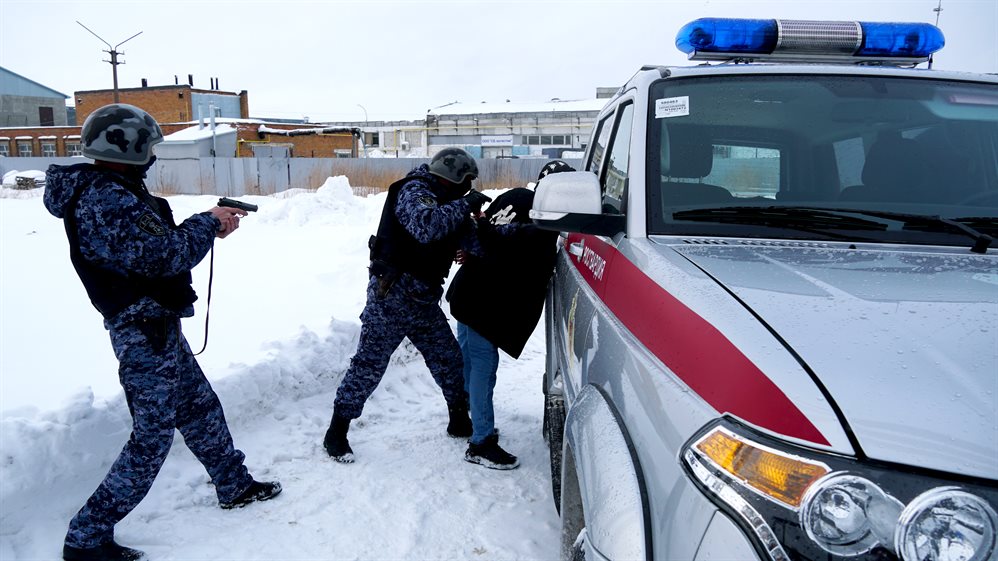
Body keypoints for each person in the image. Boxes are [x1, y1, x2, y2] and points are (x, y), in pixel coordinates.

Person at [43, 103, 281, 561]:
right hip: (141, 329)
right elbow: (166, 255)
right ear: (127, 148)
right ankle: (87, 536)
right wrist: (209, 222)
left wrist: (207, 224)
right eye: (148, 146)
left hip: (156, 323)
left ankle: (233, 484)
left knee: (198, 407)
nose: (154, 154)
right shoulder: (105, 197)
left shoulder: (114, 190)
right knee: (152, 436)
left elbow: (151, 246)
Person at [322, 148, 492, 463]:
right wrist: (465, 205)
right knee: (368, 366)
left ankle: (458, 419)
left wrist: (489, 226)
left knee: (449, 360)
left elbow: (477, 245)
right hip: (391, 297)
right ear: (452, 178)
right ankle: (337, 432)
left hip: (423, 301)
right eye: (465, 183)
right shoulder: (414, 190)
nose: (467, 190)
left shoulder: (452, 205)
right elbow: (425, 227)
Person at [445, 159, 575, 469]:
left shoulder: (514, 196)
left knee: (470, 362)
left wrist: (475, 244)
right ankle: (481, 442)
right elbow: (500, 238)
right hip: (484, 304)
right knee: (482, 367)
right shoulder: (543, 224)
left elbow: (480, 233)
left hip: (469, 295)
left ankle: (465, 421)